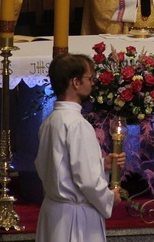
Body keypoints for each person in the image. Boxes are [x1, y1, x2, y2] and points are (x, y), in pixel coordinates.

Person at [35, 53, 124, 242]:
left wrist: (101, 165)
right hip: (75, 219)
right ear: (75, 82)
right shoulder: (78, 125)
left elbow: (51, 168)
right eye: (89, 78)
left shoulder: (50, 121)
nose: (92, 83)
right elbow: (88, 181)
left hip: (54, 213)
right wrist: (109, 197)